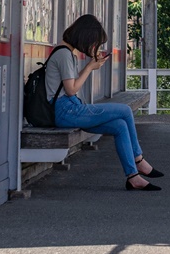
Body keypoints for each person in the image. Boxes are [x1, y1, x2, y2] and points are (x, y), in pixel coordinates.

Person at [46, 14, 163, 191]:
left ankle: (133, 177)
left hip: (70, 109)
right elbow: (71, 89)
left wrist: (89, 67)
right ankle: (138, 160)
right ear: (85, 36)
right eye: (94, 43)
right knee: (124, 111)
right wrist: (89, 68)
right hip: (65, 111)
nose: (93, 47)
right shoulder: (63, 54)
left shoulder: (66, 53)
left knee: (119, 126)